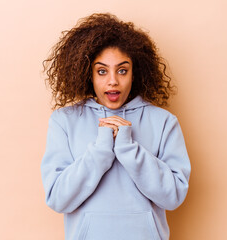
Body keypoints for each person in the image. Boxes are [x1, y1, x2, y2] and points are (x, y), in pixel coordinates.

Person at [41, 13, 191, 240]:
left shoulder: (163, 122)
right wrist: (101, 150)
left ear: (135, 73)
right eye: (102, 71)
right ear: (88, 74)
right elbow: (58, 199)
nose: (113, 81)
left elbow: (174, 196)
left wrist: (128, 148)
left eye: (122, 70)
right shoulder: (64, 120)